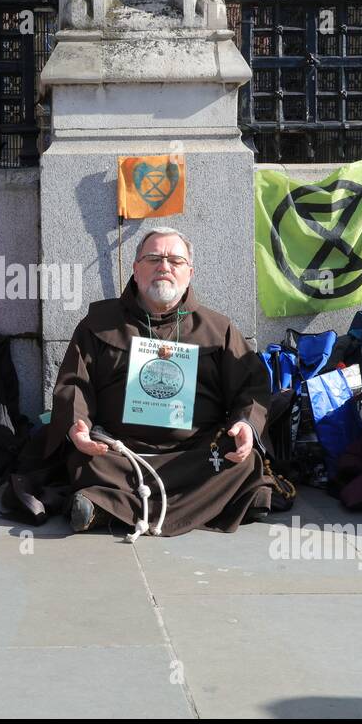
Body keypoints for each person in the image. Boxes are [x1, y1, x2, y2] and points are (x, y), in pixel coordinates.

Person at [47, 226, 276, 537]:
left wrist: (245, 425)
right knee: (84, 458)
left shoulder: (218, 328)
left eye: (175, 261)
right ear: (135, 269)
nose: (164, 267)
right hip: (118, 453)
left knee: (242, 462)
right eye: (153, 258)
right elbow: (75, 383)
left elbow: (251, 387)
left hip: (194, 453)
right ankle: (201, 507)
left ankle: (107, 507)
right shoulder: (98, 324)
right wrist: (78, 424)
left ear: (190, 272)